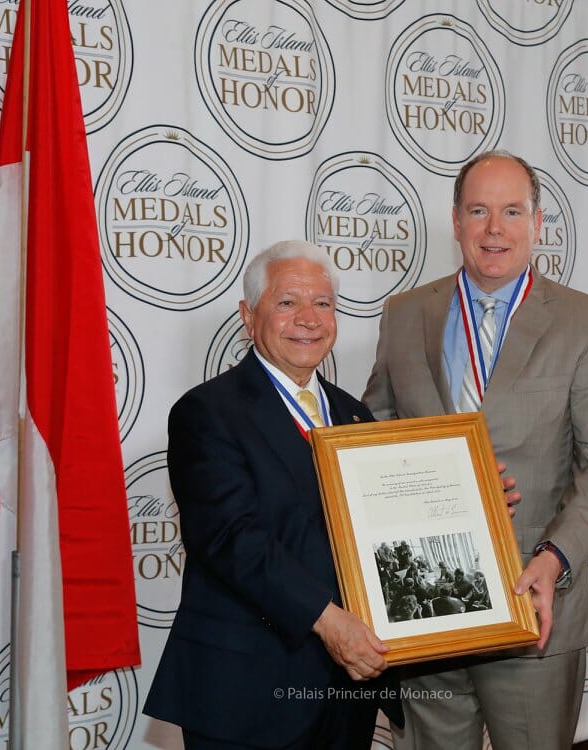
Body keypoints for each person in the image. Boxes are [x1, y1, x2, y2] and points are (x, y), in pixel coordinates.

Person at [364, 150, 588, 750]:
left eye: (512, 211)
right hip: (425, 606)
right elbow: (376, 434)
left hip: (529, 600)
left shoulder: (587, 324)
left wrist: (553, 559)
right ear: (455, 221)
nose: (494, 229)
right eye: (478, 210)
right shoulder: (405, 314)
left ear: (538, 224)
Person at [144, 240, 400, 750]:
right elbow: (231, 538)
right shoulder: (207, 412)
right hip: (246, 692)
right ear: (248, 315)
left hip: (345, 690)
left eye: (323, 304)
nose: (308, 318)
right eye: (287, 303)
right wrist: (331, 624)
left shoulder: (354, 416)